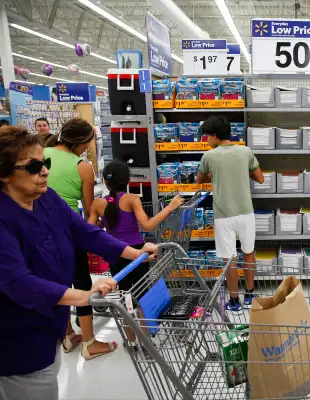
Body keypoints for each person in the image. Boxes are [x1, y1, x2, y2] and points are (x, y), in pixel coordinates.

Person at [0, 126, 158, 400]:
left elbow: (83, 231)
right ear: (4, 174)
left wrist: (133, 251)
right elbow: (17, 282)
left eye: (45, 163)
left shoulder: (45, 198)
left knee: (49, 377)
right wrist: (82, 296)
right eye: (34, 166)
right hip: (17, 337)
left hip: (49, 323)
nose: (45, 171)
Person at [88, 160, 184, 344]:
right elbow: (147, 225)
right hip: (138, 255)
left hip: (114, 254)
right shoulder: (132, 199)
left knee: (124, 297)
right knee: (141, 295)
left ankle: (130, 340)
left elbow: (89, 230)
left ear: (105, 182)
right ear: (127, 180)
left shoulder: (97, 203)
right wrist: (170, 207)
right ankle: (146, 339)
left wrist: (103, 224)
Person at [44, 118, 110, 360]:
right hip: (68, 230)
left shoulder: (41, 153)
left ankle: (68, 335)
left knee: (56, 283)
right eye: (87, 144)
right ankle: (90, 342)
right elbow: (89, 207)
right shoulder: (82, 166)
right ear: (81, 142)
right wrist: (96, 228)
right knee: (81, 281)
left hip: (40, 230)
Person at [196, 116, 264, 312]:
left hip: (223, 214)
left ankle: (234, 301)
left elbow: (200, 179)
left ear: (215, 136)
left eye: (207, 136)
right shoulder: (246, 151)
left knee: (229, 259)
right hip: (246, 212)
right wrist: (243, 170)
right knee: (249, 253)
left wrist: (216, 173)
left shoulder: (209, 156)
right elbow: (259, 178)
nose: (206, 140)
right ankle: (250, 294)